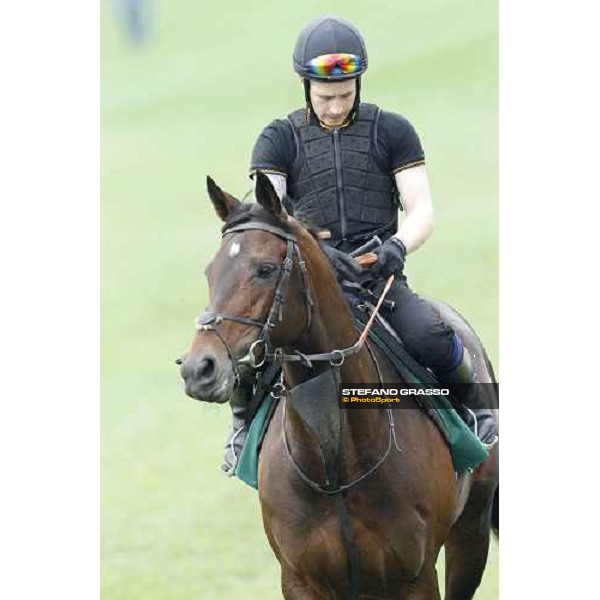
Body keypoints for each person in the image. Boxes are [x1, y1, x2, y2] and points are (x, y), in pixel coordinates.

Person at [222, 15, 497, 475]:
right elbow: (271, 214)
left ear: (359, 84)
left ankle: (478, 410)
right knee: (250, 348)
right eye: (325, 96)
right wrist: (317, 255)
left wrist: (397, 248)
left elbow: (421, 209)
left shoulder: (393, 131)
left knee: (430, 335)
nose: (334, 106)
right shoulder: (277, 138)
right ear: (306, 86)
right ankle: (242, 427)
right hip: (309, 284)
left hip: (378, 281)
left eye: (345, 95)